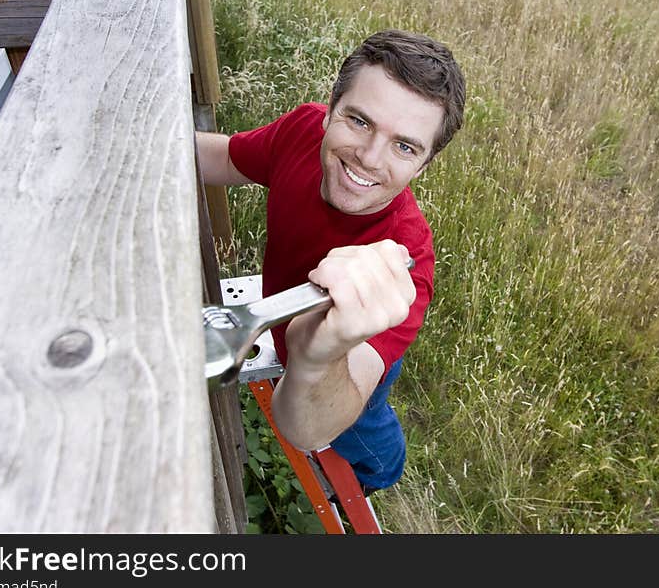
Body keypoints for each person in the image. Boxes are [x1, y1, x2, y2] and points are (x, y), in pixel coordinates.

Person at [197, 29, 466, 493]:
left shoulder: (404, 264)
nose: (368, 158)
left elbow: (308, 432)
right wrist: (140, 139)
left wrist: (322, 354)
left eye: (405, 146)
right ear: (330, 109)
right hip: (288, 338)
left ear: (423, 166)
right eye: (359, 121)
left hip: (356, 358)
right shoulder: (302, 130)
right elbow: (225, 158)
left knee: (366, 426)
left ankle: (380, 475)